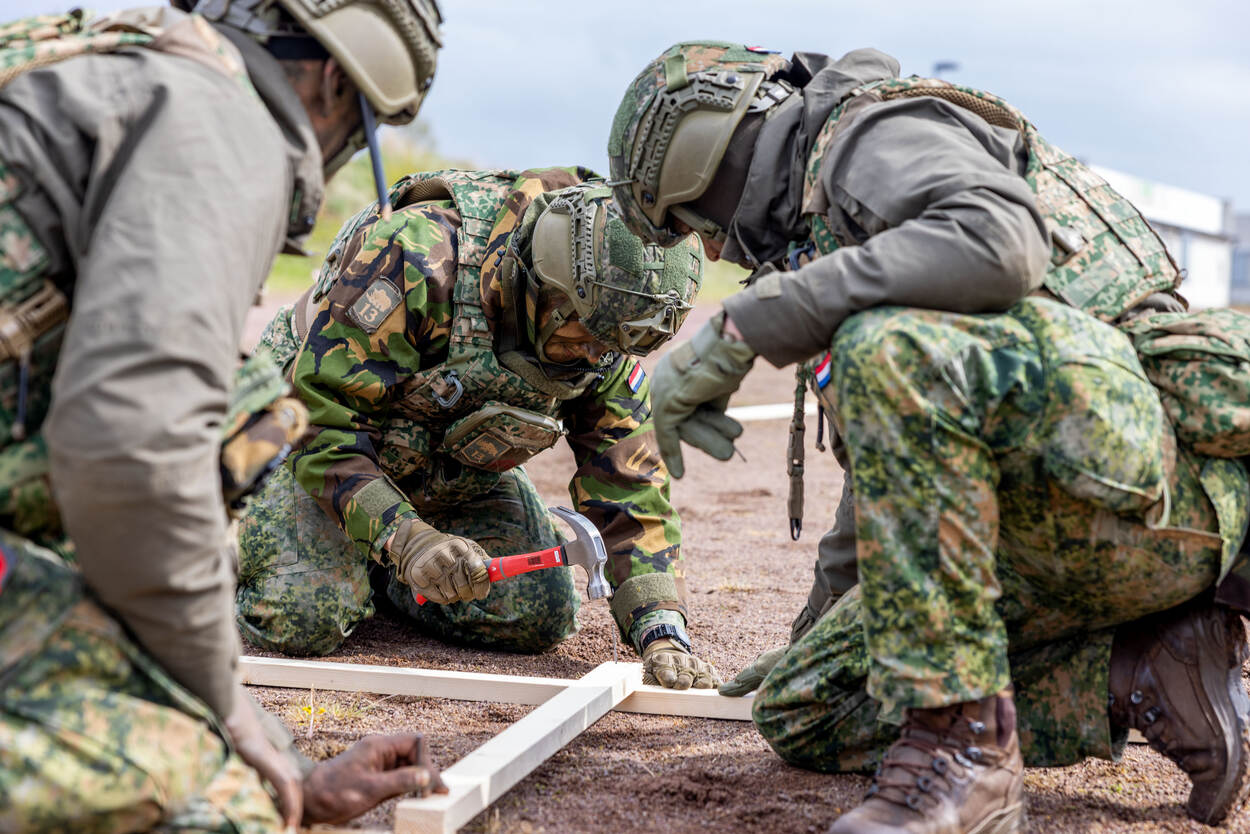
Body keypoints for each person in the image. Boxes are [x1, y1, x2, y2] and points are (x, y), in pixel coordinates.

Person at [606, 41, 1250, 830]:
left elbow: (999, 240)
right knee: (809, 705)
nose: (709, 250)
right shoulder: (830, 237)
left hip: (1157, 480)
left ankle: (966, 757)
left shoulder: (870, 132)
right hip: (1074, 526)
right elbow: (905, 469)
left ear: (711, 152)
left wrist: (745, 328)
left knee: (890, 347)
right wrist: (822, 625)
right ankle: (1150, 669)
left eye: (689, 222)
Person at [0, 1, 447, 830]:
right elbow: (135, 456)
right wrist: (240, 730)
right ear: (329, 85)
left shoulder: (96, 68)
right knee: (227, 805)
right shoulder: (221, 122)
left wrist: (279, 742)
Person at [236, 171, 719, 689]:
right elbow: (323, 416)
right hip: (305, 446)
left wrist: (660, 626)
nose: (596, 356)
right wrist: (406, 540)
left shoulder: (605, 326)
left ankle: (376, 571)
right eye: (585, 337)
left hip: (446, 473)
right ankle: (235, 541)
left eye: (614, 346)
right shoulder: (418, 256)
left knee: (539, 611)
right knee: (302, 614)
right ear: (544, 290)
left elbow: (628, 480)